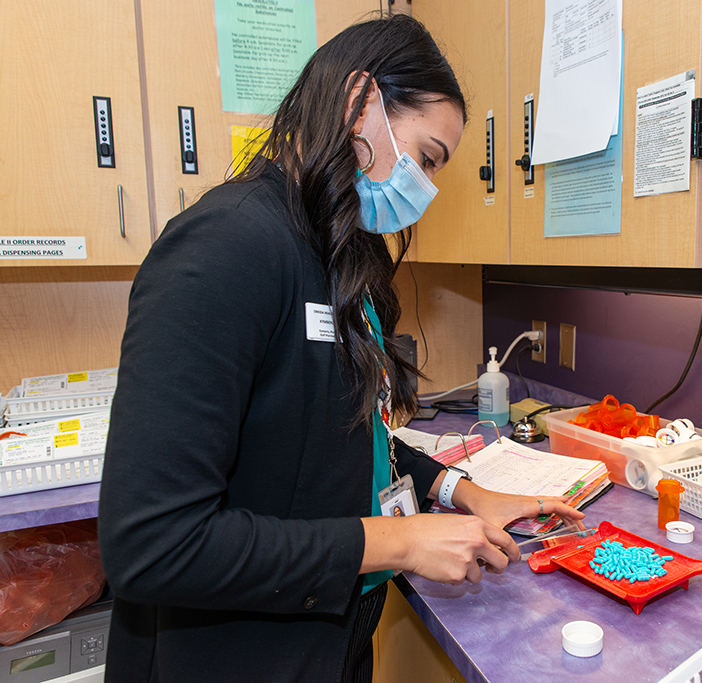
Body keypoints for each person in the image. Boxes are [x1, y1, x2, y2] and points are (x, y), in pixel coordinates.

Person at [97, 14, 583, 683]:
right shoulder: (224, 249)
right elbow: (152, 544)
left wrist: (459, 490)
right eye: (427, 156)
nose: (426, 189)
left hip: (328, 642)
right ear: (361, 104)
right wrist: (400, 539)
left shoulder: (332, 249)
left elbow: (346, 431)